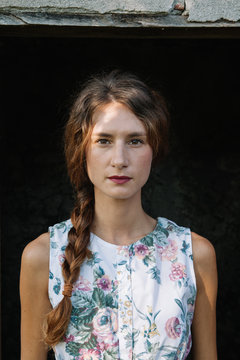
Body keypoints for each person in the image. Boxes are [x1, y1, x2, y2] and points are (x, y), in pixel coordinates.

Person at [20, 70, 218, 360]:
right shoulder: (42, 257)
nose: (120, 160)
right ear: (82, 149)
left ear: (155, 148)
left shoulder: (194, 255)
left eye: (135, 140)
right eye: (104, 140)